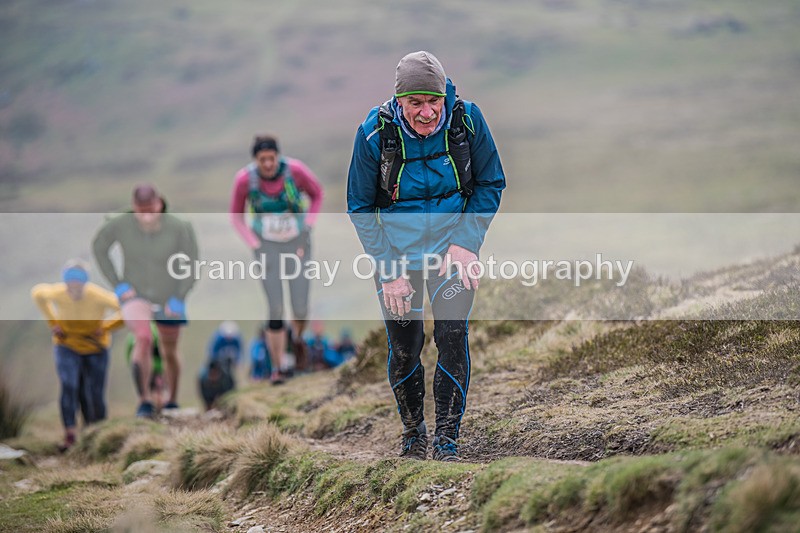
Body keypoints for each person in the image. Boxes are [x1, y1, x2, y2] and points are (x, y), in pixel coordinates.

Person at [346, 51, 505, 461]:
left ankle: (447, 441)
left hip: (451, 253)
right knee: (405, 346)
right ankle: (414, 435)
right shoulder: (374, 133)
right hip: (397, 259)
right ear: (399, 101)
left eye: (432, 101)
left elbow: (490, 183)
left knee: (452, 337)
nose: (426, 112)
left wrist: (467, 242)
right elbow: (360, 207)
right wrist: (389, 270)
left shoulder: (466, 120)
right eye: (414, 103)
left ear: (443, 97)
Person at [92, 183, 199, 418]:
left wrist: (179, 297)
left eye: (151, 209)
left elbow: (191, 263)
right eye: (141, 211)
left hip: (169, 295)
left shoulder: (180, 226)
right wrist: (117, 283)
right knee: (143, 337)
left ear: (159, 203)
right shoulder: (119, 223)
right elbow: (99, 247)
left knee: (169, 350)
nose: (147, 216)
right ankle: (144, 401)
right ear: (133, 208)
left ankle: (172, 400)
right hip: (135, 294)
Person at [229, 135, 323, 384]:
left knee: (300, 304)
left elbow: (317, 194)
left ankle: (297, 339)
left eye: (272, 158)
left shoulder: (295, 171)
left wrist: (308, 226)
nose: (268, 164)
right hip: (266, 246)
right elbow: (236, 216)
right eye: (263, 160)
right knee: (275, 306)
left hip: (298, 242)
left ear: (278, 156)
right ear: (255, 160)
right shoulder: (245, 180)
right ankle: (278, 366)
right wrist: (254, 243)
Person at [31, 260, 123, 452]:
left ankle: (96, 434)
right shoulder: (58, 293)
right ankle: (70, 434)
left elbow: (125, 310)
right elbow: (38, 293)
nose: (73, 283)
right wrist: (52, 321)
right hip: (67, 345)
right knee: (69, 385)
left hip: (95, 348)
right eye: (69, 278)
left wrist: (106, 327)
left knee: (94, 393)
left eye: (78, 278)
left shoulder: (97, 295)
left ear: (85, 281)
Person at [198, 321, 242, 410]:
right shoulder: (204, 379)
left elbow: (239, 355)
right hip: (217, 366)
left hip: (226, 370)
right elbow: (212, 354)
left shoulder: (227, 379)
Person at [124, 322, 167, 410]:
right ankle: (157, 405)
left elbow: (130, 356)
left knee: (150, 389)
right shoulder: (155, 330)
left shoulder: (133, 335)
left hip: (152, 369)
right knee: (157, 389)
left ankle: (149, 404)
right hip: (157, 369)